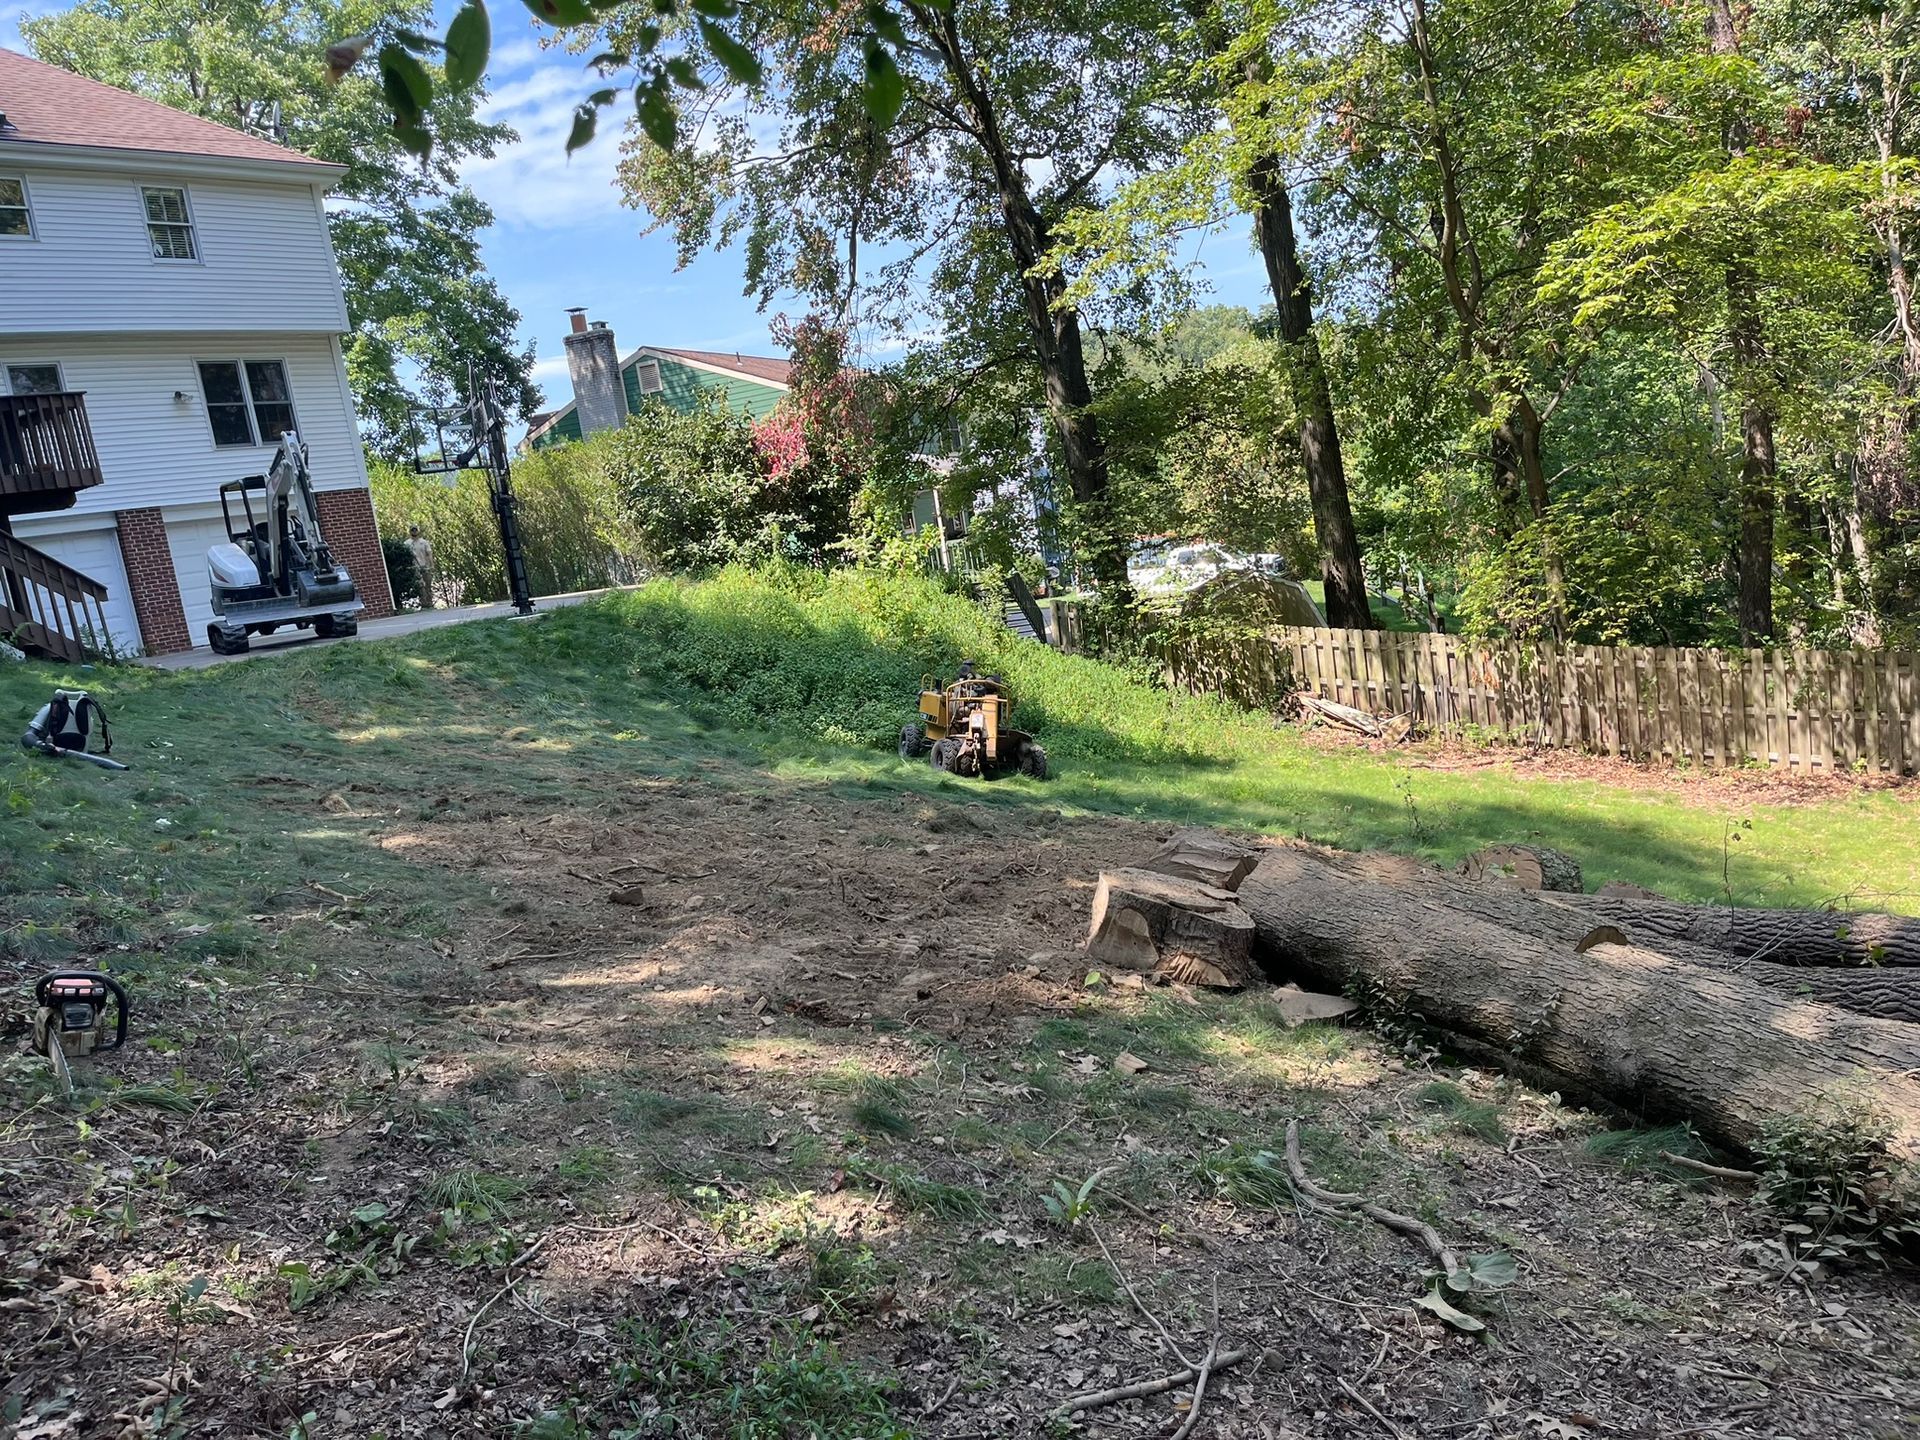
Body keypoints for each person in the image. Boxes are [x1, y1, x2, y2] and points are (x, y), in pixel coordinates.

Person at [407, 525, 436, 609]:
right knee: (420, 586)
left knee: (428, 585)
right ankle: (424, 604)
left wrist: (431, 565)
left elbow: (429, 554)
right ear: (410, 531)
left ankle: (430, 603)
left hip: (425, 566)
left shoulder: (424, 542)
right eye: (412, 530)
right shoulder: (407, 543)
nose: (414, 532)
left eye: (415, 530)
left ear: (418, 531)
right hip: (415, 567)